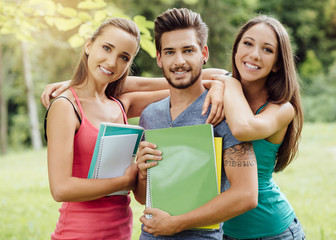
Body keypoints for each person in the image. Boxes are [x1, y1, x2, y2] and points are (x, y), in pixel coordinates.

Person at [43, 16, 226, 240]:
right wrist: (125, 181)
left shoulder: (121, 104)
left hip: (121, 231)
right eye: (106, 48)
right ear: (89, 45)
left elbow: (184, 87)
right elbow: (60, 189)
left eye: (124, 57)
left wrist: (217, 84)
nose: (111, 62)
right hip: (78, 233)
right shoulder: (66, 106)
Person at [133, 8, 258, 239]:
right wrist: (141, 173)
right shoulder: (150, 115)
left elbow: (247, 194)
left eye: (188, 50)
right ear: (160, 58)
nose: (179, 61)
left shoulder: (223, 112)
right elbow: (143, 197)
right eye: (170, 52)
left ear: (204, 53)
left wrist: (177, 224)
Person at [208, 15, 306, 239]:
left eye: (267, 50)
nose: (254, 55)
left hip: (273, 232)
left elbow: (243, 128)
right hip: (224, 232)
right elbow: (166, 84)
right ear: (236, 48)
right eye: (248, 43)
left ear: (277, 64)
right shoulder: (219, 79)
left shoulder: (281, 108)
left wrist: (228, 82)